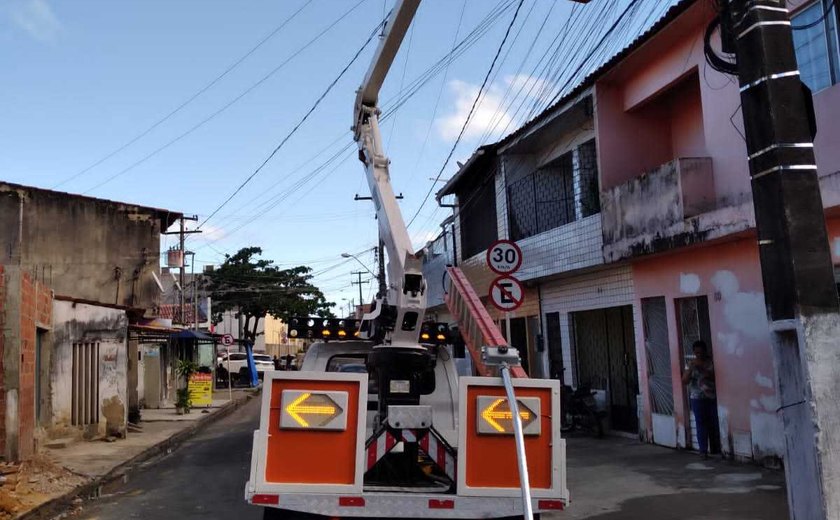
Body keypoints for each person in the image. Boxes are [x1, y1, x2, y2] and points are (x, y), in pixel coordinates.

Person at [681, 340, 721, 458]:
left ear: (705, 351)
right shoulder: (691, 364)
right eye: (696, 353)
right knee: (700, 423)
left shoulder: (711, 362)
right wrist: (691, 369)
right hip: (697, 398)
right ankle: (703, 450)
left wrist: (702, 369)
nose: (699, 355)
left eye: (701, 352)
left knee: (714, 422)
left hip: (712, 397)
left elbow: (715, 377)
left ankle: (716, 448)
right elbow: (684, 381)